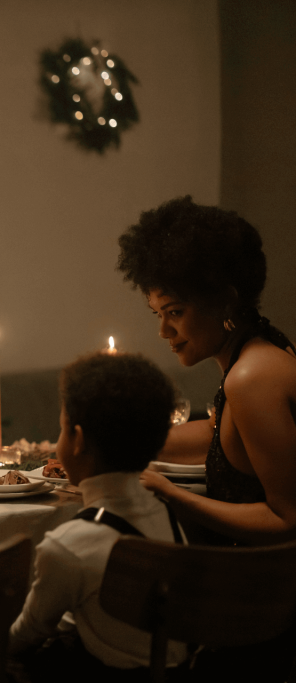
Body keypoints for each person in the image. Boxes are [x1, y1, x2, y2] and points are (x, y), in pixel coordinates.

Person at [116, 196, 296, 547]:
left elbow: (289, 519)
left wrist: (173, 494)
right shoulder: (264, 347)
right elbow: (220, 436)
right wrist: (114, 445)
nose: (163, 331)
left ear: (225, 301)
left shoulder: (252, 378)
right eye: (158, 314)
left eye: (176, 312)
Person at [6, 352, 187, 681]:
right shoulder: (167, 514)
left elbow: (26, 634)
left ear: (78, 439)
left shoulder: (68, 546)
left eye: (60, 430)